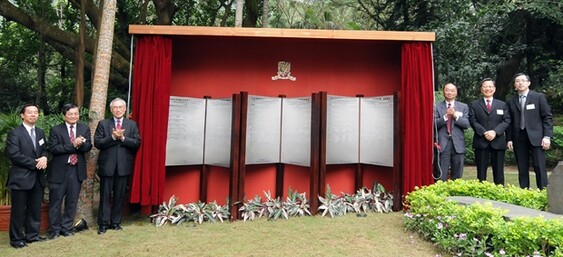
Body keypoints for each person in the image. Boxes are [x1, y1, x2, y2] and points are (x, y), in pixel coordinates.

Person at [94, 98, 141, 234]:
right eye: (115, 107)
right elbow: (98, 142)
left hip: (123, 166)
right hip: (107, 166)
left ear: (125, 109)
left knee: (119, 196)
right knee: (105, 196)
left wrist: (123, 138)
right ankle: (103, 224)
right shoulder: (103, 124)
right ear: (111, 109)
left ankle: (115, 223)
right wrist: (113, 137)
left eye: (120, 107)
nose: (118, 110)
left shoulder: (131, 125)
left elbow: (137, 143)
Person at [5, 104, 48, 248]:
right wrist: (35, 163)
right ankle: (16, 239)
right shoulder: (15, 133)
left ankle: (32, 235)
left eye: (36, 112)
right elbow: (14, 155)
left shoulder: (41, 132)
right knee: (18, 211)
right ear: (22, 115)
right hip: (21, 178)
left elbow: (44, 150)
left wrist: (44, 158)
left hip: (37, 178)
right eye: (30, 112)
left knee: (34, 208)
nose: (33, 115)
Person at [47, 104, 92, 239]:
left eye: (76, 114)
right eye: (70, 114)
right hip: (59, 170)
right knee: (56, 201)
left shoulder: (84, 128)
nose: (74, 116)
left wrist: (82, 144)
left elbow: (89, 146)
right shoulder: (56, 130)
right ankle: (54, 230)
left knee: (72, 201)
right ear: (64, 115)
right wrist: (73, 145)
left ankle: (66, 228)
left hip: (76, 170)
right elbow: (54, 149)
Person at [506, 73, 553, 189]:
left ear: (528, 83)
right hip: (518, 137)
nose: (520, 83)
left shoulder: (538, 97)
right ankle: (524, 191)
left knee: (539, 166)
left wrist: (547, 136)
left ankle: (543, 192)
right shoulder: (511, 101)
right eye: (517, 81)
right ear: (515, 85)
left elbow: (547, 117)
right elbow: (509, 122)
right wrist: (509, 138)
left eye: (523, 80)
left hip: (536, 137)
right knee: (522, 167)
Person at [468, 78, 511, 185]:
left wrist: (495, 132)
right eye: (485, 86)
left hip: (498, 141)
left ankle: (499, 191)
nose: (488, 89)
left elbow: (507, 120)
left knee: (499, 171)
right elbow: (473, 120)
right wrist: (484, 132)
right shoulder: (474, 104)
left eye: (490, 86)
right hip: (481, 141)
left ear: (494, 89)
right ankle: (481, 192)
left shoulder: (502, 104)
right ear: (481, 89)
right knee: (481, 172)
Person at [434, 83, 470, 181]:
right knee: (441, 175)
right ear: (443, 92)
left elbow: (466, 124)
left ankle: (456, 195)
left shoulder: (463, 107)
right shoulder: (436, 106)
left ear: (456, 92)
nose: (449, 92)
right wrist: (446, 116)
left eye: (452, 90)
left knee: (457, 175)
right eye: (447, 90)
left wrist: (455, 115)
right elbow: (433, 124)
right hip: (443, 143)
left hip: (458, 144)